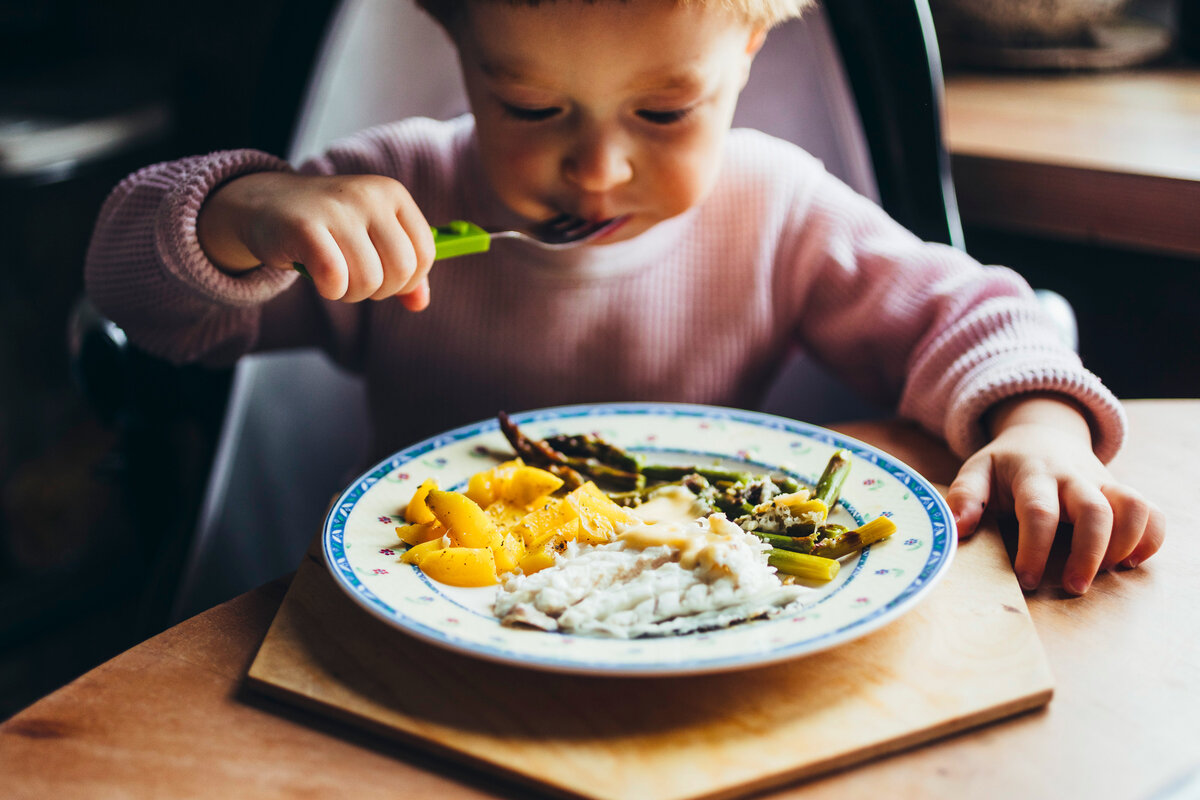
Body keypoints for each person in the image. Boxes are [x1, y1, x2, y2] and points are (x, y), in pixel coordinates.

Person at [84, 0, 1163, 595]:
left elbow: (968, 316)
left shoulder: (777, 207)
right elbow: (151, 310)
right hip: (438, 628)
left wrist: (1041, 426)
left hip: (700, 616)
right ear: (451, 36)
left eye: (662, 112)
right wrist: (246, 212)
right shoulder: (395, 199)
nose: (595, 169)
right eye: (532, 105)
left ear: (751, 46)